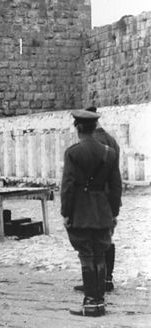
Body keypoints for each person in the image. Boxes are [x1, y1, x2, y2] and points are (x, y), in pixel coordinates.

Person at [61, 109, 122, 317]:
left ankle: (90, 302)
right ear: (95, 127)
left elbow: (67, 186)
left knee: (86, 255)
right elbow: (116, 187)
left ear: (78, 127)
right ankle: (99, 302)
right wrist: (113, 212)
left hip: (81, 212)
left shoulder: (73, 152)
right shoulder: (109, 153)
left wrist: (66, 213)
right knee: (100, 254)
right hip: (103, 211)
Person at [73, 106, 121, 294]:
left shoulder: (94, 142)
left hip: (92, 199)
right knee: (106, 239)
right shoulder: (112, 141)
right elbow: (115, 177)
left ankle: (95, 285)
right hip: (108, 198)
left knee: (92, 243)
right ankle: (107, 279)